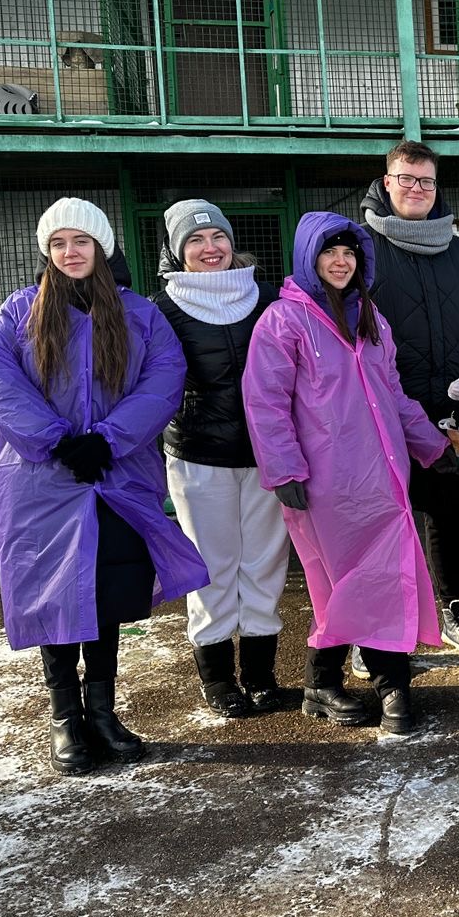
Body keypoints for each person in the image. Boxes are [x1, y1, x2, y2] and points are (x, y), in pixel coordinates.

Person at [0, 197, 208, 776]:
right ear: (46, 253)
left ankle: (103, 712)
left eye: (80, 241)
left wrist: (108, 439)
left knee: (104, 596)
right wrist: (54, 440)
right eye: (58, 243)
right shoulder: (20, 312)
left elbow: (164, 378)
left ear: (101, 247)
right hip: (42, 482)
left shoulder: (138, 315)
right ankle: (65, 718)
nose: (70, 252)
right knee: (54, 597)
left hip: (115, 476)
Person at [244, 214, 451, 735]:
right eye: (329, 253)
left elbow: (393, 392)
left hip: (383, 477)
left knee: (383, 575)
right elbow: (265, 402)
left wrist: (430, 444)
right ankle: (354, 682)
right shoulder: (283, 322)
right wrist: (284, 468)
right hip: (323, 482)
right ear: (309, 258)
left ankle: (380, 683)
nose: (341, 262)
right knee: (336, 581)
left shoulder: (371, 318)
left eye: (349, 253)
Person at [361, 141, 459, 655]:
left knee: (447, 518)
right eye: (406, 178)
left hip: (450, 410)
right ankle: (374, 632)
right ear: (387, 181)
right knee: (383, 524)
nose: (416, 189)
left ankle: (456, 614)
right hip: (385, 412)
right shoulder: (365, 250)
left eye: (426, 180)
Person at [152, 200, 289, 719]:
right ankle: (217, 678)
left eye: (217, 238)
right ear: (177, 252)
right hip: (198, 455)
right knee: (210, 567)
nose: (209, 249)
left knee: (265, 562)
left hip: (265, 454)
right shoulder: (161, 307)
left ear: (232, 243)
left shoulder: (268, 297)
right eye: (195, 241)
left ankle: (260, 674)